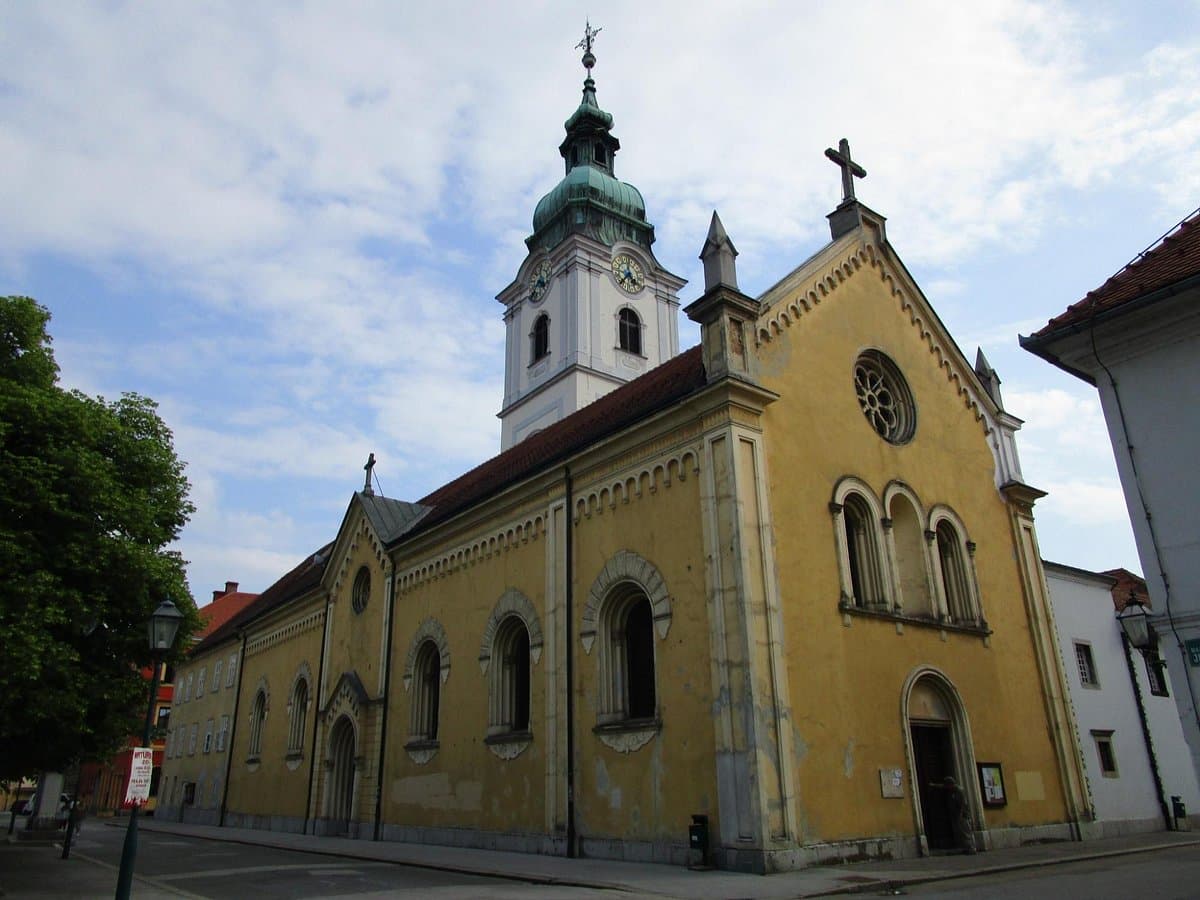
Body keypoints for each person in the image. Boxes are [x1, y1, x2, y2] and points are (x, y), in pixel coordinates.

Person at [943, 776, 976, 854]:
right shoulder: (953, 790)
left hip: (963, 815)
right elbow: (942, 786)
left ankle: (972, 848)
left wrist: (961, 814)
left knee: (966, 832)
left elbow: (963, 804)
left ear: (950, 784)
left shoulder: (959, 791)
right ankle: (966, 847)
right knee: (961, 832)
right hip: (957, 814)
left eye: (947, 785)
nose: (947, 788)